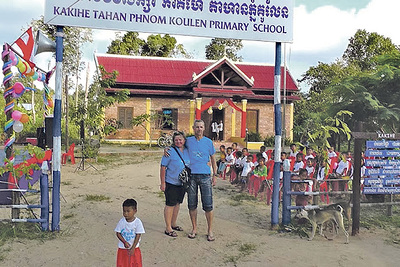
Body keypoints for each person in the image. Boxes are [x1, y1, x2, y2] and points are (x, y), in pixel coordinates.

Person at [186, 120, 218, 241]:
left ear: (204, 128)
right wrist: (166, 150)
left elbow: (213, 159)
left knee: (208, 205)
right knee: (192, 204)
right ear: (193, 128)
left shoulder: (208, 142)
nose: (199, 129)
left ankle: (209, 230)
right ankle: (194, 228)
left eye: (201, 127)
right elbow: (176, 145)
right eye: (197, 127)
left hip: (205, 176)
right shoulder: (188, 141)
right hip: (191, 176)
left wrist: (214, 175)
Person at [160, 131, 189, 237]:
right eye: (176, 140)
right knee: (170, 204)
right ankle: (168, 228)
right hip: (171, 182)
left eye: (180, 139)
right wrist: (163, 182)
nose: (178, 141)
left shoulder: (187, 151)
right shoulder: (170, 151)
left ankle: (173, 223)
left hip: (182, 183)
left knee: (177, 203)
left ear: (184, 140)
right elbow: (163, 166)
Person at [115, 198, 145, 267]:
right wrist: (124, 242)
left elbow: (138, 235)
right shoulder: (121, 221)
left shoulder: (137, 222)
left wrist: (133, 248)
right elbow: (118, 233)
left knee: (135, 264)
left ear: (135, 211)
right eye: (124, 211)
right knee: (122, 264)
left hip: (135, 248)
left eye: (128, 211)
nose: (126, 213)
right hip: (122, 248)